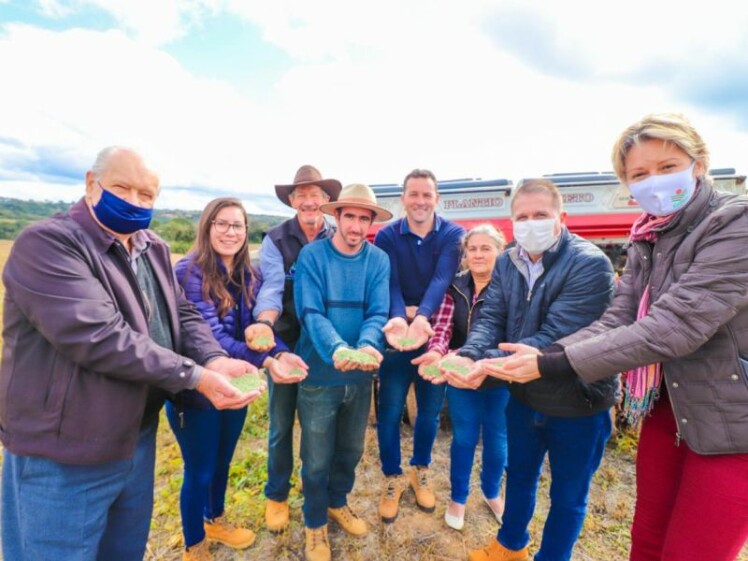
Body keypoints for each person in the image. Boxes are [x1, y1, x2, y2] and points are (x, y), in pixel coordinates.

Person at [494, 113, 748, 561]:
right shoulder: (649, 238)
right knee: (646, 539)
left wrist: (550, 361)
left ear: (700, 163)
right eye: (639, 174)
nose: (654, 181)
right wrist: (547, 353)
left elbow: (672, 327)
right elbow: (618, 317)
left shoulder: (733, 224)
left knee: (694, 550)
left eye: (668, 167)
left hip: (732, 422)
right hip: (668, 408)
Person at [0, 147, 262, 561]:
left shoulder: (151, 246)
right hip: (65, 449)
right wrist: (195, 376)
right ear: (92, 184)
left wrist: (213, 358)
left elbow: (184, 313)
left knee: (124, 551)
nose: (136, 202)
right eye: (123, 188)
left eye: (147, 195)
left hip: (135, 439)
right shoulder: (48, 244)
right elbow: (101, 337)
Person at [442, 178, 618, 561]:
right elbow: (492, 316)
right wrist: (469, 354)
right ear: (511, 222)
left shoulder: (589, 264)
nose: (530, 223)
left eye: (541, 215)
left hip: (577, 401)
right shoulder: (507, 260)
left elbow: (555, 336)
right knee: (519, 476)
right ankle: (510, 546)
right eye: (522, 216)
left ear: (561, 217)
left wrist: (486, 365)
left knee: (568, 496)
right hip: (522, 395)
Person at [169, 197, 309, 560]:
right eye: (222, 224)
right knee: (198, 470)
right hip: (197, 389)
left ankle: (215, 519)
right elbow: (212, 339)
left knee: (222, 462)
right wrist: (267, 360)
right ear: (207, 226)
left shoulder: (250, 274)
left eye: (238, 225)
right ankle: (194, 545)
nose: (230, 232)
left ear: (247, 232)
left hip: (238, 385)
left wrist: (278, 351)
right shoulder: (187, 273)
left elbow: (256, 330)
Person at [293, 183, 392, 561]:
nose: (355, 226)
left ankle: (338, 502)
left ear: (370, 222)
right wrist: (337, 348)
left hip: (359, 377)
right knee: (316, 456)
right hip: (319, 375)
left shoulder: (378, 260)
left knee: (350, 450)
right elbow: (311, 312)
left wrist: (367, 346)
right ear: (336, 217)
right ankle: (314, 523)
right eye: (348, 216)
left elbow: (378, 312)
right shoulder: (312, 256)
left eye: (363, 218)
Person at [251, 165, 342, 531]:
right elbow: (272, 287)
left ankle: (317, 487)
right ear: (292, 201)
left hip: (325, 343)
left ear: (325, 200)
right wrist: (264, 323)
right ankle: (277, 494)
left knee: (321, 426)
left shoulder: (337, 235)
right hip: (287, 342)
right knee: (281, 423)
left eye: (315, 193)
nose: (308, 200)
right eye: (301, 194)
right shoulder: (276, 239)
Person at [373, 168, 465, 522]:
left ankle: (420, 469)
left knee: (429, 411)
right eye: (413, 194)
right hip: (396, 338)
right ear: (403, 198)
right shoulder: (387, 236)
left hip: (435, 336)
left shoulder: (453, 234)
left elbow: (442, 278)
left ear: (437, 198)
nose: (420, 201)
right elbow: (391, 283)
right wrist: (400, 316)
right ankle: (392, 476)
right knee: (390, 411)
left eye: (427, 194)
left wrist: (422, 315)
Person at [412, 224, 510, 531]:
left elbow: (514, 333)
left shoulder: (511, 286)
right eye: (473, 249)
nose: (478, 254)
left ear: (500, 251)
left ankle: (492, 492)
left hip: (499, 375)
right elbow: (442, 327)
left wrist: (483, 361)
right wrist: (437, 352)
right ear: (464, 254)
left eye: (486, 248)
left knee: (497, 439)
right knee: (464, 438)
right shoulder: (454, 286)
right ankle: (458, 497)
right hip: (458, 375)